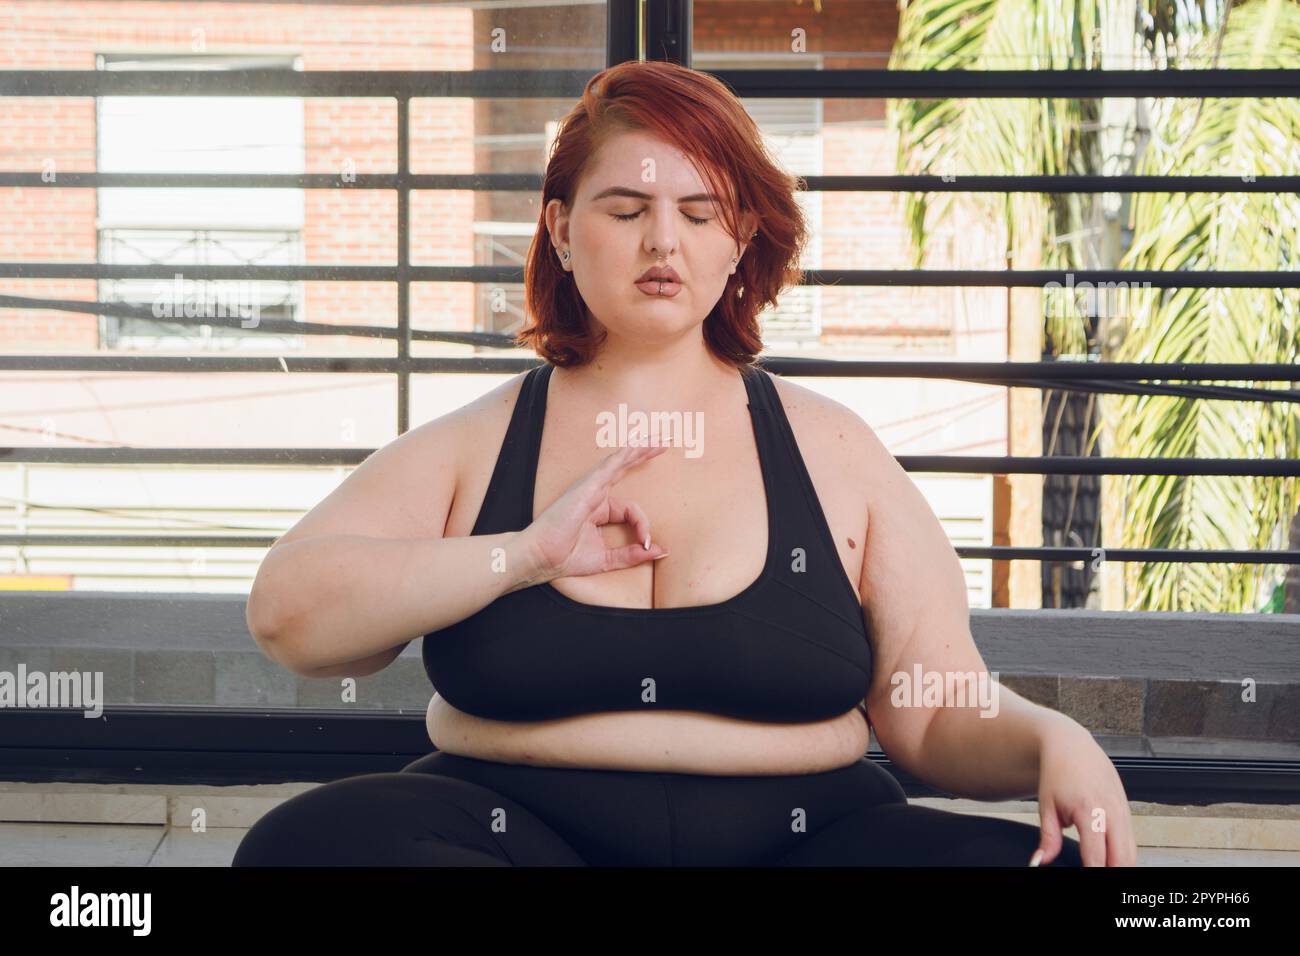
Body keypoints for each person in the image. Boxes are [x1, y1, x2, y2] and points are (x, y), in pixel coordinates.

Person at [233, 60, 1133, 867]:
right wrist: (523, 557)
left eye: (698, 213)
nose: (663, 242)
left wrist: (1053, 738)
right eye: (626, 210)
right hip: (514, 829)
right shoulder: (475, 442)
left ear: (738, 241)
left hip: (811, 841)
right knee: (308, 848)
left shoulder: (838, 452)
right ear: (558, 227)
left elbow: (933, 710)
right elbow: (290, 618)